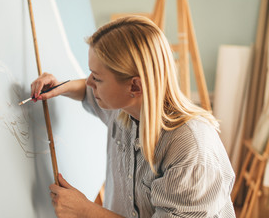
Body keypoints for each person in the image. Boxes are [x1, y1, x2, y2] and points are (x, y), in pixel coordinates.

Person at [30, 16, 236, 218]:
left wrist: (86, 211)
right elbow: (85, 91)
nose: (89, 83)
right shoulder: (122, 107)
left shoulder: (191, 149)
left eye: (98, 78)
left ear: (135, 86)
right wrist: (59, 87)